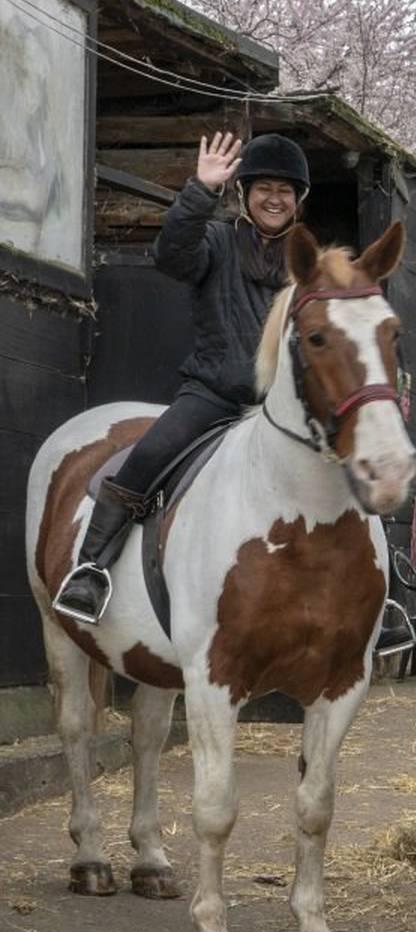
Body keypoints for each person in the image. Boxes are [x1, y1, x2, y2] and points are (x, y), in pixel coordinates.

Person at [54, 132, 311, 623]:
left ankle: (378, 598)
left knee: (352, 462)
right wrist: (200, 189)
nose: (274, 198)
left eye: (285, 190)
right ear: (245, 192)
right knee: (147, 454)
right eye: (264, 188)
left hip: (285, 406)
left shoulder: (307, 258)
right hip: (215, 394)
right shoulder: (215, 238)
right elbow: (170, 256)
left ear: (298, 200)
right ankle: (90, 570)